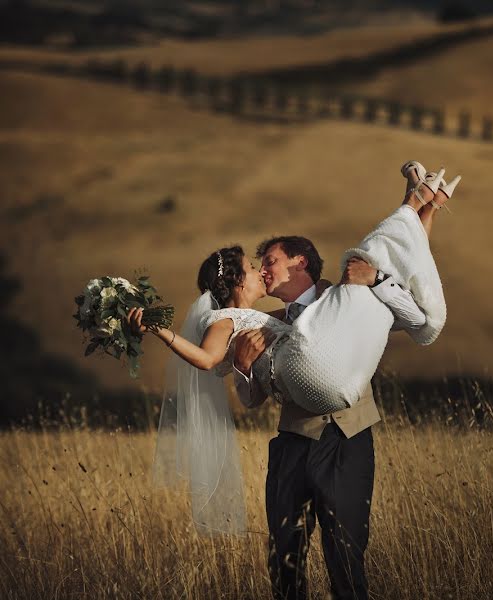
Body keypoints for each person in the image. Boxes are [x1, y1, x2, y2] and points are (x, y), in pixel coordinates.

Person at [129, 161, 460, 599]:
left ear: (298, 263)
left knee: (346, 557)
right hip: (291, 446)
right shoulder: (261, 323)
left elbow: (404, 275)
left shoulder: (341, 294)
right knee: (284, 562)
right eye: (259, 265)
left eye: (270, 262)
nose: (263, 271)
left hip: (348, 440)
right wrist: (245, 368)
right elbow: (249, 399)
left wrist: (395, 253)